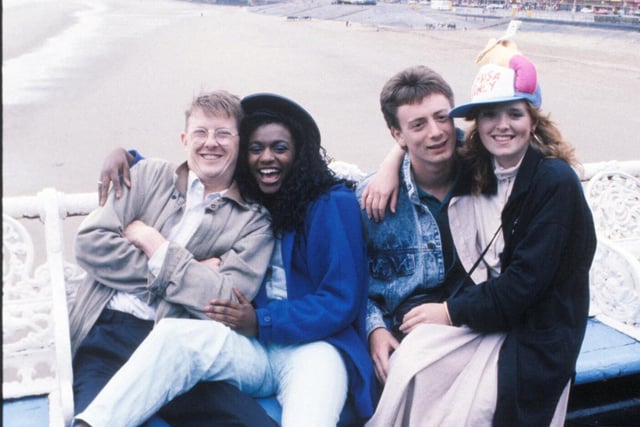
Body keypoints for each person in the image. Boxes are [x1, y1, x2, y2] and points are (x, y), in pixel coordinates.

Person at [74, 93, 377, 427]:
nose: (266, 159)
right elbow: (197, 171)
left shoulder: (330, 204)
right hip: (251, 347)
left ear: (299, 153)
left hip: (311, 347)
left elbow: (340, 299)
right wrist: (127, 156)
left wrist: (262, 321)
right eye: (256, 148)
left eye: (279, 148)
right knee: (177, 337)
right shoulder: (257, 197)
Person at [363, 46, 597, 426]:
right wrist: (392, 161)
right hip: (489, 314)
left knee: (475, 409)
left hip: (536, 329)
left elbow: (526, 284)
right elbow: (432, 138)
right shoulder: (482, 165)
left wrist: (449, 312)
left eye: (515, 114)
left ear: (533, 121)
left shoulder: (552, 181)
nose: (502, 125)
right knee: (414, 358)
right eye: (489, 115)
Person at [70, 90, 275, 426]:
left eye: (223, 133)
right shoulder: (149, 175)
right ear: (184, 138)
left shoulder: (254, 220)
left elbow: (226, 300)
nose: (211, 143)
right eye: (201, 132)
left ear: (239, 142)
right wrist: (190, 273)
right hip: (109, 335)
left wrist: (153, 244)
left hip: (182, 347)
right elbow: (91, 244)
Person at [355, 65, 469, 386]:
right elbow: (353, 280)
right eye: (417, 124)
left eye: (442, 117)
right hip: (404, 331)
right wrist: (373, 330)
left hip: (471, 320)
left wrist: (392, 157)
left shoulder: (483, 178)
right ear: (397, 134)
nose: (435, 132)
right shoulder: (371, 199)